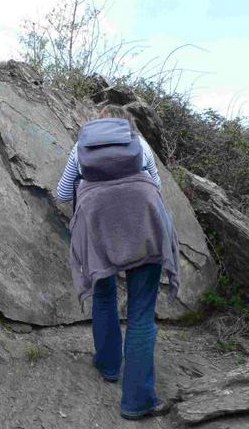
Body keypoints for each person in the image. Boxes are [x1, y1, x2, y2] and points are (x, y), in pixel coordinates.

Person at [56, 105, 180, 420]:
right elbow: (157, 187)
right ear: (125, 125)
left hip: (99, 231)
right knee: (140, 314)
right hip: (144, 227)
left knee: (104, 293)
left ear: (98, 124)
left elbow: (61, 193)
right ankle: (137, 402)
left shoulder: (80, 148)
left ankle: (109, 364)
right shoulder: (140, 144)